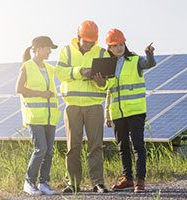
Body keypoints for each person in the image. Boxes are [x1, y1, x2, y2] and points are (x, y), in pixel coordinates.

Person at [93, 28, 156, 193]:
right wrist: (107, 115)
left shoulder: (135, 60)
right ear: (110, 48)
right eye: (115, 45)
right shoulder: (108, 65)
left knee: (138, 146)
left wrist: (149, 54)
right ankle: (127, 179)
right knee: (123, 148)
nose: (119, 48)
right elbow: (108, 90)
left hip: (135, 112)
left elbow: (149, 64)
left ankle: (140, 181)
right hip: (117, 114)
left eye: (121, 44)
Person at [56, 20, 111, 193]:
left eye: (92, 41)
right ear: (78, 36)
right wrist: (80, 71)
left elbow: (109, 81)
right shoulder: (66, 51)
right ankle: (73, 184)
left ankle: (98, 183)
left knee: (96, 146)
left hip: (94, 106)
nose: (89, 44)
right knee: (73, 146)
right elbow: (60, 73)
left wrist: (101, 83)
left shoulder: (102, 53)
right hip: (72, 106)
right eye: (86, 40)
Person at [17, 36, 60, 195]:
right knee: (40, 148)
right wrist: (41, 93)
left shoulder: (50, 68)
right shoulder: (27, 66)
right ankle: (29, 182)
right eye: (48, 48)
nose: (50, 51)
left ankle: (44, 183)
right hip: (34, 116)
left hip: (50, 117)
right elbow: (19, 88)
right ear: (38, 49)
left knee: (49, 151)